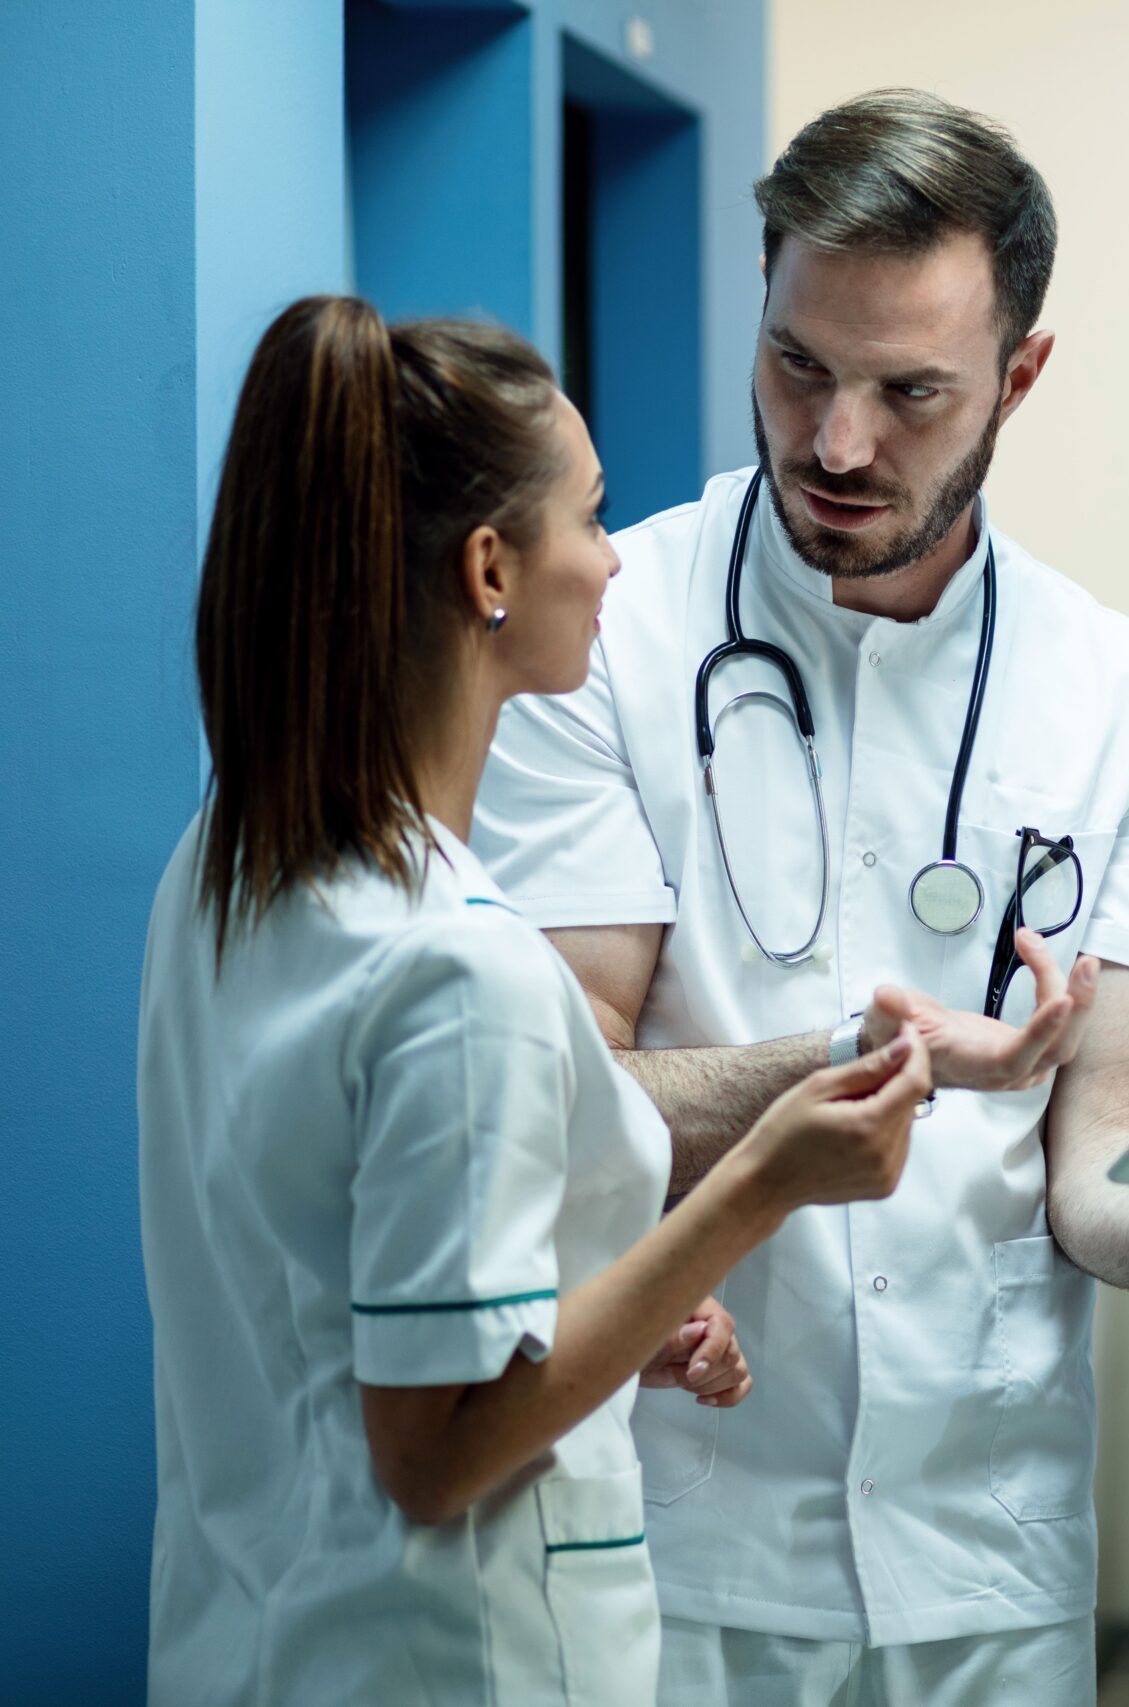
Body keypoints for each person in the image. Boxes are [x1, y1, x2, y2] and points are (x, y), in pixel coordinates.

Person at [469, 89, 1129, 1707]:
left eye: (912, 392)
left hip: (987, 1545)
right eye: (799, 366)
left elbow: (1099, 1163)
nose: (837, 444)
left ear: (1020, 375)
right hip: (674, 1529)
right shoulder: (601, 642)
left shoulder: (1126, 701)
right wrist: (852, 1059)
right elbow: (570, 1096)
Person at [137, 298, 932, 1706]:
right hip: (460, 1657)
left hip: (258, 1637)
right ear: (490, 568)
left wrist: (605, 1312)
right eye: (588, 515)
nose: (614, 560)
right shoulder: (461, 970)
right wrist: (760, 1186)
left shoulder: (228, 867)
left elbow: (330, 1294)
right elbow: (433, 1455)